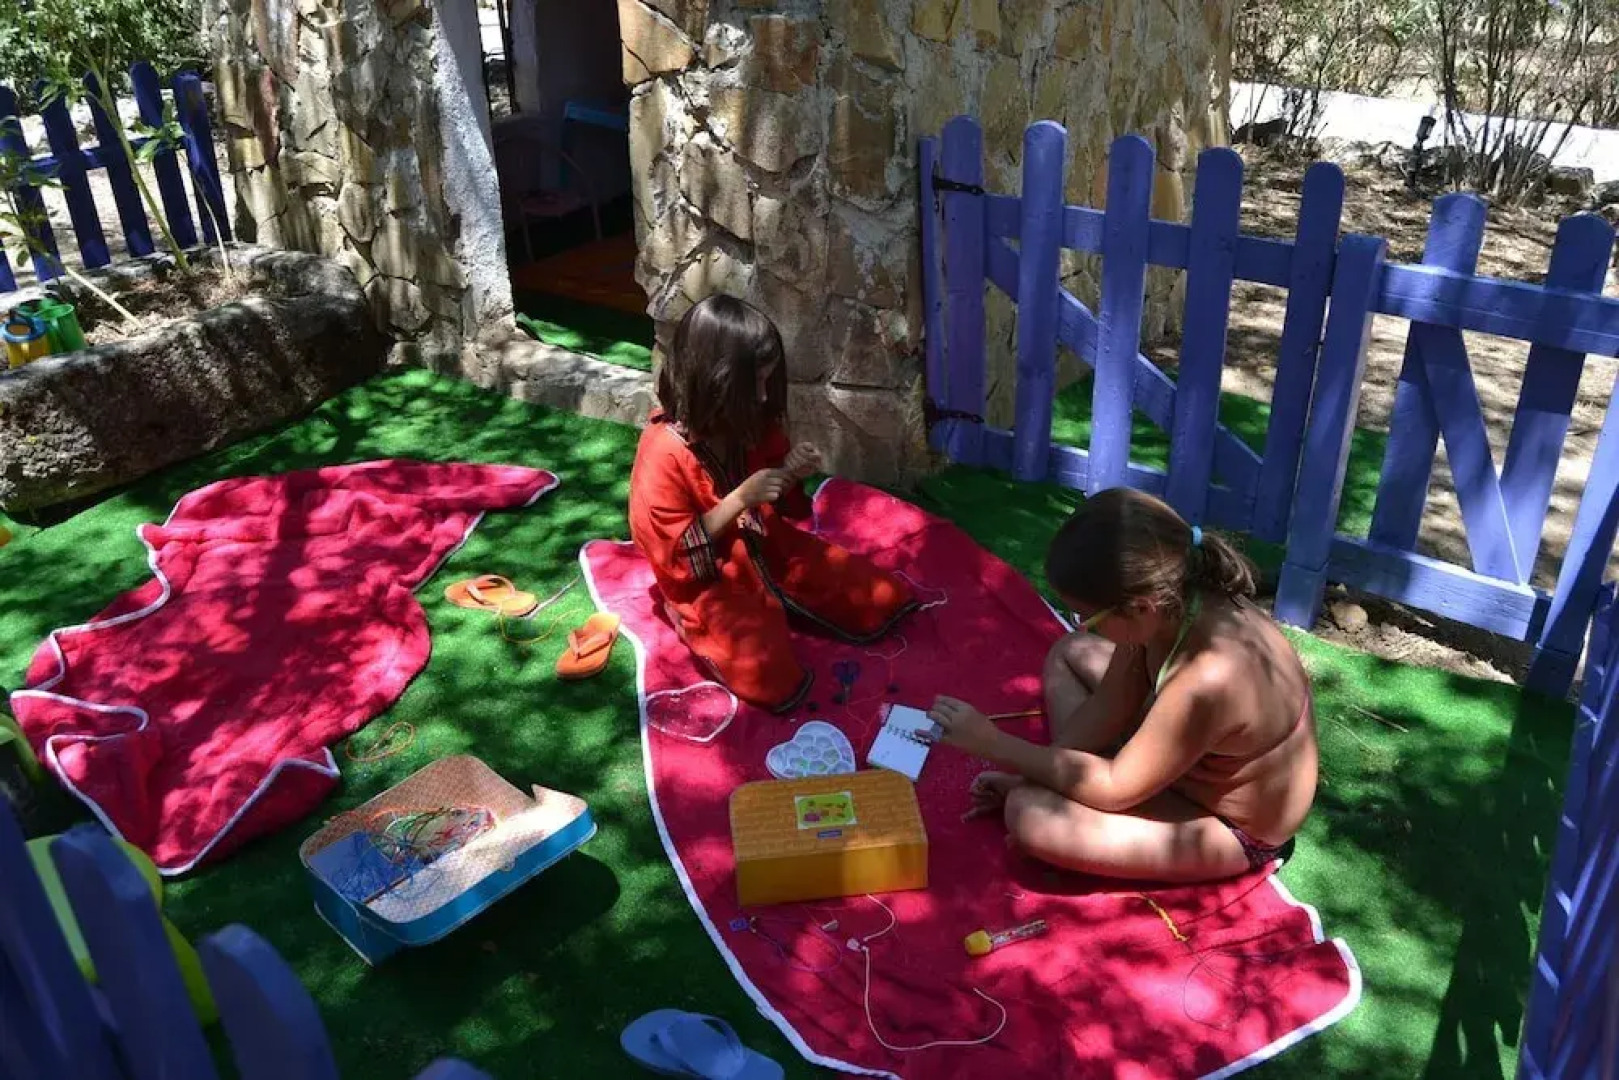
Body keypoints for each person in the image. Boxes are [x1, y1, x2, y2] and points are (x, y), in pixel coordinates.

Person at [926, 488, 1318, 883]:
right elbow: (1107, 708)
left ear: (1139, 607)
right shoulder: (1171, 600)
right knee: (1070, 652)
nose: (1083, 626)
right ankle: (1084, 779)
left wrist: (995, 744)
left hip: (1227, 826)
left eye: (1087, 616)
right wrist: (1032, 773)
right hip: (1185, 761)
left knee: (1029, 814)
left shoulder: (1207, 679)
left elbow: (1115, 787)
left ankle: (1089, 790)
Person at [628, 295, 916, 713]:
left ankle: (779, 601)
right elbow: (672, 554)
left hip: (769, 545)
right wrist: (741, 498)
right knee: (766, 672)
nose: (764, 396)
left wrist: (790, 472)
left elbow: (776, 499)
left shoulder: (747, 418)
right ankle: (685, 618)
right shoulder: (662, 451)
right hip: (709, 576)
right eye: (754, 384)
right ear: (716, 381)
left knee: (880, 598)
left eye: (767, 381)